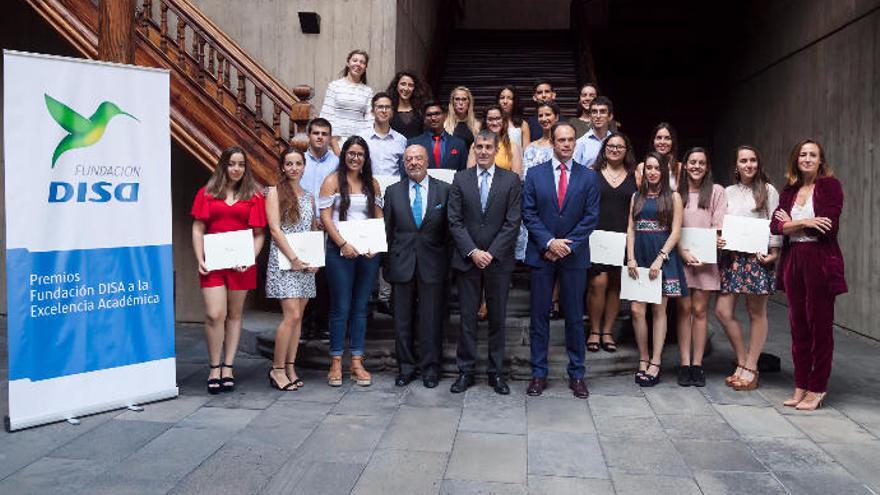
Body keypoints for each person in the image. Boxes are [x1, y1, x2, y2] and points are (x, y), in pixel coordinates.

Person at [522, 122, 600, 399]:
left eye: (570, 140)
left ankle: (577, 374)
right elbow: (528, 213)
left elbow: (590, 217)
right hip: (542, 254)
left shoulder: (589, 178)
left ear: (574, 143)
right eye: (561, 140)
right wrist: (549, 242)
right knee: (539, 316)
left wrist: (567, 245)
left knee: (575, 319)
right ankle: (538, 373)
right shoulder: (534, 174)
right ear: (552, 143)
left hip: (574, 257)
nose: (566, 144)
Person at [771, 139, 846, 411]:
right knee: (798, 326)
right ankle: (800, 384)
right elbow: (775, 226)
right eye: (802, 154)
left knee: (820, 327)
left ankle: (817, 387)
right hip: (794, 261)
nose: (807, 158)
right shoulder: (790, 190)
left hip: (820, 261)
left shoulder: (830, 187)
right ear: (796, 159)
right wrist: (803, 221)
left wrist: (789, 224)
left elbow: (826, 228)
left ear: (820, 160)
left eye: (812, 155)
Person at [448, 129, 522, 395]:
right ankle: (465, 371)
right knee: (467, 318)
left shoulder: (511, 180)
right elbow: (454, 221)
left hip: (498, 261)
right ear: (474, 149)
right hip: (468, 260)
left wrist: (491, 252)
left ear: (495, 150)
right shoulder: (461, 179)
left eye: (488, 147)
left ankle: (496, 373)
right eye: (478, 146)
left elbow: (513, 221)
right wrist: (472, 251)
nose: (482, 151)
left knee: (497, 319)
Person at [191, 147, 266, 394]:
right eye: (232, 164)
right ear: (223, 166)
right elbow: (198, 228)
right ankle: (214, 365)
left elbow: (259, 234)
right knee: (215, 314)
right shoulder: (207, 193)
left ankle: (228, 366)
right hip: (212, 263)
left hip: (240, 265)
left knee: (234, 314)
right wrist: (199, 257)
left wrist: (250, 258)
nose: (236, 169)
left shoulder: (254, 196)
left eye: (241, 165)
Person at [383, 144, 451, 388]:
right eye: (409, 159)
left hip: (433, 265)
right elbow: (387, 232)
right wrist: (387, 266)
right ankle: (406, 368)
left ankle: (431, 369)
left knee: (431, 320)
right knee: (402, 320)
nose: (413, 163)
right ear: (404, 163)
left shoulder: (444, 191)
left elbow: (450, 232)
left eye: (418, 158)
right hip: (402, 265)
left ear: (427, 161)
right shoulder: (392, 192)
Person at [319, 135, 384, 387]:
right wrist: (343, 245)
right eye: (351, 153)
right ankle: (336, 360)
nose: (355, 158)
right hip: (340, 253)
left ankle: (357, 361)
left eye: (360, 154)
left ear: (366, 158)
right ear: (344, 155)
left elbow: (378, 217)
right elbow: (325, 218)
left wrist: (375, 244)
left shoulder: (372, 184)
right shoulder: (332, 181)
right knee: (341, 307)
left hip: (367, 254)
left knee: (360, 307)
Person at [715, 145, 781, 391]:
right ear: (736, 165)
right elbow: (720, 223)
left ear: (758, 163)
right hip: (732, 257)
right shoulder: (727, 192)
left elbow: (776, 222)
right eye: (743, 160)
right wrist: (718, 238)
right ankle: (743, 360)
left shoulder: (768, 190)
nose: (749, 165)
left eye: (753, 160)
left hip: (757, 258)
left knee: (756, 312)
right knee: (722, 311)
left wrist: (774, 253)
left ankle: (751, 368)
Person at [626, 151, 686, 387]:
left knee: (659, 310)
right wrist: (630, 258)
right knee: (637, 310)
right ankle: (643, 358)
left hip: (662, 257)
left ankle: (656, 361)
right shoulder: (635, 197)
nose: (652, 172)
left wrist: (661, 258)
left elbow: (676, 231)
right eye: (648, 168)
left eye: (656, 168)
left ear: (663, 171)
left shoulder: (674, 197)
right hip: (638, 256)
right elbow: (631, 228)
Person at [265, 147, 317, 391]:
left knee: (299, 319)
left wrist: (316, 260)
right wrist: (294, 258)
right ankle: (276, 369)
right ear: (283, 167)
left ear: (304, 166)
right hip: (284, 262)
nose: (294, 168)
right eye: (289, 164)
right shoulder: (274, 192)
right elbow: (275, 230)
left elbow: (313, 229)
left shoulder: (309, 196)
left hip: (305, 264)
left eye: (298, 163)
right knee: (291, 316)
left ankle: (290, 366)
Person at [675, 147, 726, 387]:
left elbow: (718, 225)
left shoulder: (716, 192)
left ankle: (697, 364)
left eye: (701, 163)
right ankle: (684, 364)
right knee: (684, 310)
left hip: (705, 260)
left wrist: (709, 248)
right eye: (692, 162)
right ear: (685, 165)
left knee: (700, 311)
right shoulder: (676, 192)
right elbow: (671, 228)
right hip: (681, 257)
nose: (696, 166)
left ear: (707, 167)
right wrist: (683, 253)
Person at [585, 132, 638, 354]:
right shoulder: (591, 174)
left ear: (626, 151)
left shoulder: (636, 177)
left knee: (616, 284)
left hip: (623, 237)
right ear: (604, 148)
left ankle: (607, 332)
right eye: (611, 145)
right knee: (598, 283)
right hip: (596, 236)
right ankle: (594, 330)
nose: (615, 149)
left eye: (620, 146)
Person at [300, 118, 338, 339]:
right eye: (316, 133)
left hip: (326, 225)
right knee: (305, 274)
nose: (320, 137)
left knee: (324, 277)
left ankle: (321, 324)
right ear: (309, 135)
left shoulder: (335, 162)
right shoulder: (299, 161)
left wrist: (327, 217)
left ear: (329, 137)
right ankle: (304, 326)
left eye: (325, 134)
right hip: (303, 226)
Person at [516, 101, 560, 263]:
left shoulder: (564, 146)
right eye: (540, 115)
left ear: (556, 117)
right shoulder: (531, 147)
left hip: (557, 203)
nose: (544, 118)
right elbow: (526, 178)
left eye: (548, 114)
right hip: (534, 202)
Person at [320, 49, 373, 155]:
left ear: (365, 67)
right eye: (355, 60)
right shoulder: (334, 86)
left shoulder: (368, 91)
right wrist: (335, 148)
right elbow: (327, 116)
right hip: (335, 143)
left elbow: (370, 121)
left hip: (358, 144)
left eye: (362, 62)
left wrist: (363, 143)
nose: (358, 64)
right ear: (348, 63)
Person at [406, 100, 468, 172]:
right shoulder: (413, 144)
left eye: (437, 114)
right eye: (429, 115)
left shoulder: (459, 144)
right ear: (424, 118)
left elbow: (464, 173)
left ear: (445, 116)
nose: (433, 118)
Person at [359, 92, 406, 178]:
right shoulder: (361, 138)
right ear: (372, 111)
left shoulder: (401, 140)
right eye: (380, 107)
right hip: (368, 187)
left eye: (387, 107)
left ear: (392, 111)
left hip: (393, 188)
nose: (384, 111)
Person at [467, 105, 523, 177]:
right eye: (490, 119)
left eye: (498, 118)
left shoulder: (512, 147)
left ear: (503, 120)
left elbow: (516, 179)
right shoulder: (475, 146)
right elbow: (470, 176)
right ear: (485, 121)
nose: (494, 123)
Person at [638, 122, 682, 191]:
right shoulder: (642, 167)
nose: (662, 142)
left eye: (667, 138)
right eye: (659, 138)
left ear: (672, 142)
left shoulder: (678, 167)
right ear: (653, 141)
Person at [573, 96, 614, 168]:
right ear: (590, 116)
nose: (598, 116)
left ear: (610, 116)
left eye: (602, 112)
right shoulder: (580, 143)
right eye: (594, 112)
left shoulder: (616, 142)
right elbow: (574, 173)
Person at [386, 70, 427, 139]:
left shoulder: (421, 110)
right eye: (403, 84)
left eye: (410, 85)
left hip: (417, 148)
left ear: (415, 88)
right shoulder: (388, 110)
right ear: (396, 86)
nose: (406, 88)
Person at [443, 86, 477, 151]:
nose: (461, 103)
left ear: (469, 102)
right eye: (457, 99)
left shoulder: (476, 126)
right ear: (452, 102)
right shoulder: (444, 125)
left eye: (464, 99)